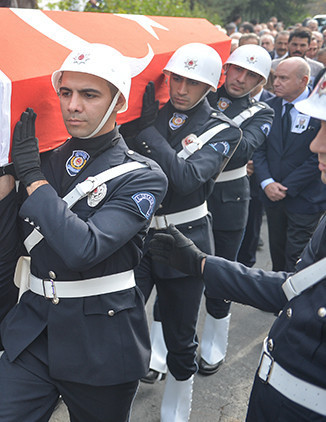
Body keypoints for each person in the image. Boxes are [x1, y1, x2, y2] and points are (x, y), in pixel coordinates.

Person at [0, 43, 168, 421]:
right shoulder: (46, 159)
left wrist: (32, 178)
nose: (73, 106)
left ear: (118, 101)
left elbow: (84, 248)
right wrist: (5, 176)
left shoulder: (143, 176)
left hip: (102, 339)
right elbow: (9, 246)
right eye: (65, 93)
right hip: (35, 328)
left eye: (89, 95)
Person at [149, 74, 326, 418]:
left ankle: (211, 351)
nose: (316, 144)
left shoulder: (255, 113)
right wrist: (202, 264)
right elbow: (295, 288)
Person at [123, 42, 242, 421]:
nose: (181, 89)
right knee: (121, 322)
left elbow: (187, 178)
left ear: (209, 86)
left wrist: (145, 131)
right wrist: (140, 125)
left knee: (180, 333)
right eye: (176, 79)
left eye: (192, 82)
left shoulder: (223, 129)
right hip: (139, 236)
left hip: (185, 240)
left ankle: (175, 411)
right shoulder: (151, 114)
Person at [200, 45, 274, 375]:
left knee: (222, 276)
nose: (241, 79)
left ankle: (213, 346)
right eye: (237, 70)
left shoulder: (261, 112)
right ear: (226, 68)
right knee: (172, 274)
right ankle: (162, 350)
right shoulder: (202, 94)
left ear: (260, 82)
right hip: (188, 197)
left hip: (229, 202)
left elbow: (242, 148)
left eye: (251, 75)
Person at [253, 57, 326, 272]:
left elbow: (316, 156)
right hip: (272, 196)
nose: (276, 83)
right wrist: (267, 182)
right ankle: (277, 289)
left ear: (303, 80)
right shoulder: (268, 107)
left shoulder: (318, 108)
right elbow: (259, 148)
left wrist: (286, 186)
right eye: (275, 77)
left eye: (283, 78)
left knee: (297, 256)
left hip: (305, 198)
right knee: (277, 251)